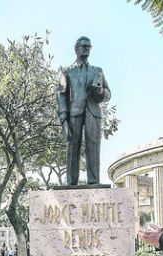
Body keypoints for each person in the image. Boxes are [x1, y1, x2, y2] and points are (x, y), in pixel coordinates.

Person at [57, 36, 111, 186]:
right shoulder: (66, 70)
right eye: (84, 46)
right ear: (76, 48)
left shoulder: (97, 71)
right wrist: (63, 120)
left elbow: (108, 94)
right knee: (72, 147)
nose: (87, 48)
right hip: (74, 112)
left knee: (94, 146)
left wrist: (100, 92)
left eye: (89, 46)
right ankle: (71, 182)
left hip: (93, 112)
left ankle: (94, 181)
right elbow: (61, 95)